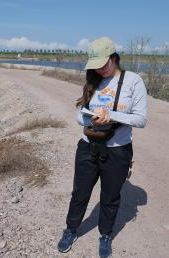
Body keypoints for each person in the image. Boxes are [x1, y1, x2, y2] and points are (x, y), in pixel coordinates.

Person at [57, 36, 148, 258]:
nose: (100, 70)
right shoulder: (92, 80)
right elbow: (80, 116)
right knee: (80, 193)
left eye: (103, 64)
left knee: (110, 197)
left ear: (114, 57)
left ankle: (105, 234)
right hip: (88, 146)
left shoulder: (133, 81)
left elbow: (141, 119)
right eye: (95, 66)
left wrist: (112, 116)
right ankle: (71, 229)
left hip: (118, 150)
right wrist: (91, 118)